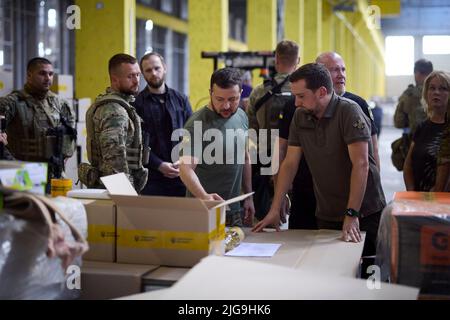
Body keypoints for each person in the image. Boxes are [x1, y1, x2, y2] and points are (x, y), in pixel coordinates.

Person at [253, 63, 386, 275]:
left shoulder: (349, 112)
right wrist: (275, 208)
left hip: (363, 212)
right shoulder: (300, 116)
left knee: (367, 276)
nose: (296, 103)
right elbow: (290, 163)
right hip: (327, 212)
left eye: (301, 96)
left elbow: (360, 165)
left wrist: (352, 214)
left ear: (322, 92)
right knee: (329, 274)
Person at [179, 68, 255, 227]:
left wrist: (248, 196)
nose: (226, 105)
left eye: (233, 99)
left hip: (233, 210)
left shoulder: (241, 115)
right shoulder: (197, 124)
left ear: (241, 93)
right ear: (210, 93)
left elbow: (245, 157)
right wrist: (205, 197)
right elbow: (185, 169)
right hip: (203, 210)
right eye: (220, 99)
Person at [79, 53, 148, 192]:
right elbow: (114, 160)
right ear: (115, 80)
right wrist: (124, 194)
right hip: (114, 189)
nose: (136, 81)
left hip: (112, 187)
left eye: (138, 75)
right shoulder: (114, 111)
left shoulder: (120, 106)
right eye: (130, 76)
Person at [247, 40, 299, 221]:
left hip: (264, 157)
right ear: (298, 60)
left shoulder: (259, 92)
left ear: (276, 60)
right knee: (299, 217)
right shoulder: (301, 92)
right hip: (297, 159)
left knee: (265, 215)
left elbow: (251, 130)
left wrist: (253, 165)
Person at [0, 57, 76, 178]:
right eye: (42, 73)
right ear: (29, 75)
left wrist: (65, 154)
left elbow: (71, 132)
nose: (48, 78)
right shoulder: (12, 102)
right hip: (22, 174)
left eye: (51, 74)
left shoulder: (60, 103)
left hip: (54, 173)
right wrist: (11, 162)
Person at [134, 52, 193, 197]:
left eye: (157, 68)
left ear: (164, 68)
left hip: (182, 176)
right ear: (143, 73)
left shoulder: (181, 100)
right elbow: (135, 143)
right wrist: (159, 165)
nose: (153, 73)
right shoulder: (136, 104)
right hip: (151, 179)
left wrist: (183, 160)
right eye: (148, 70)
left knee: (182, 219)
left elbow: (192, 134)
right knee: (155, 219)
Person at [316, 52, 380, 169]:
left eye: (343, 70)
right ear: (320, 74)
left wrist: (376, 181)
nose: (341, 75)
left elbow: (373, 147)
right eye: (335, 70)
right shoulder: (310, 104)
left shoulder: (358, 103)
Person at [403, 71, 449, 191]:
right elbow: (408, 166)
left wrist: (433, 199)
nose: (436, 92)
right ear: (426, 93)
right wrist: (412, 192)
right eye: (432, 88)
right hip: (420, 201)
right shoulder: (422, 127)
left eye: (443, 89)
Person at [394, 59, 434, 135]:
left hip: (415, 141)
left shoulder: (409, 94)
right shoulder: (443, 92)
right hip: (440, 141)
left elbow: (398, 122)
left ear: (417, 73)